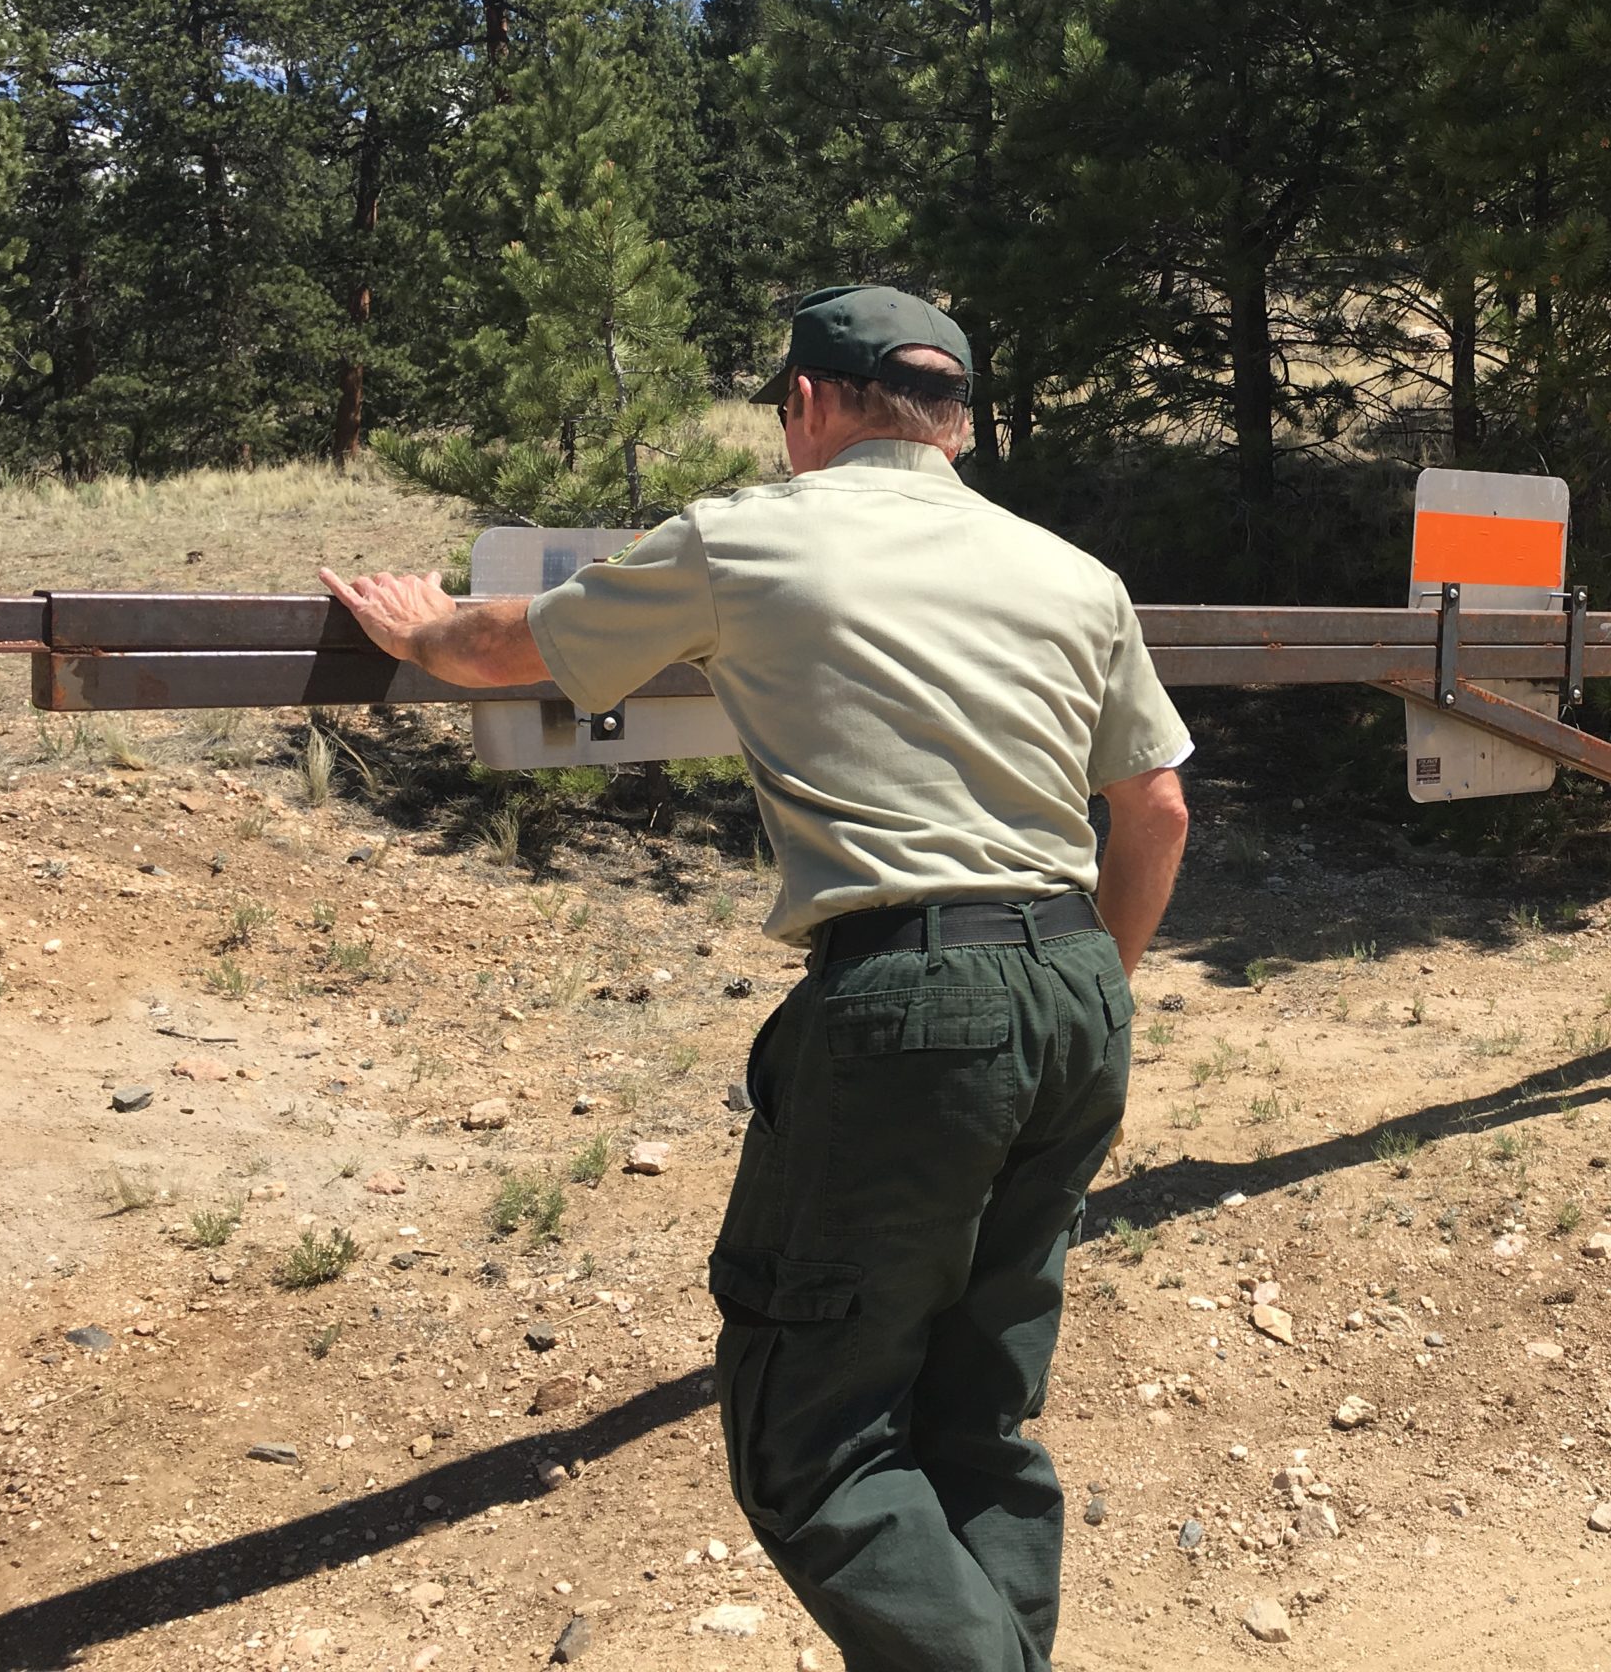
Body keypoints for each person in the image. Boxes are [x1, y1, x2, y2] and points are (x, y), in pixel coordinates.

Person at [320, 284, 1194, 1672]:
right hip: (1079, 983)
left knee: (819, 1442)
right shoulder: (1072, 572)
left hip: (908, 992)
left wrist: (418, 626)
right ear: (957, 423)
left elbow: (518, 650)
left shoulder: (747, 536)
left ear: (806, 404)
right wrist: (1085, 986)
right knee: (978, 1413)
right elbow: (1154, 813)